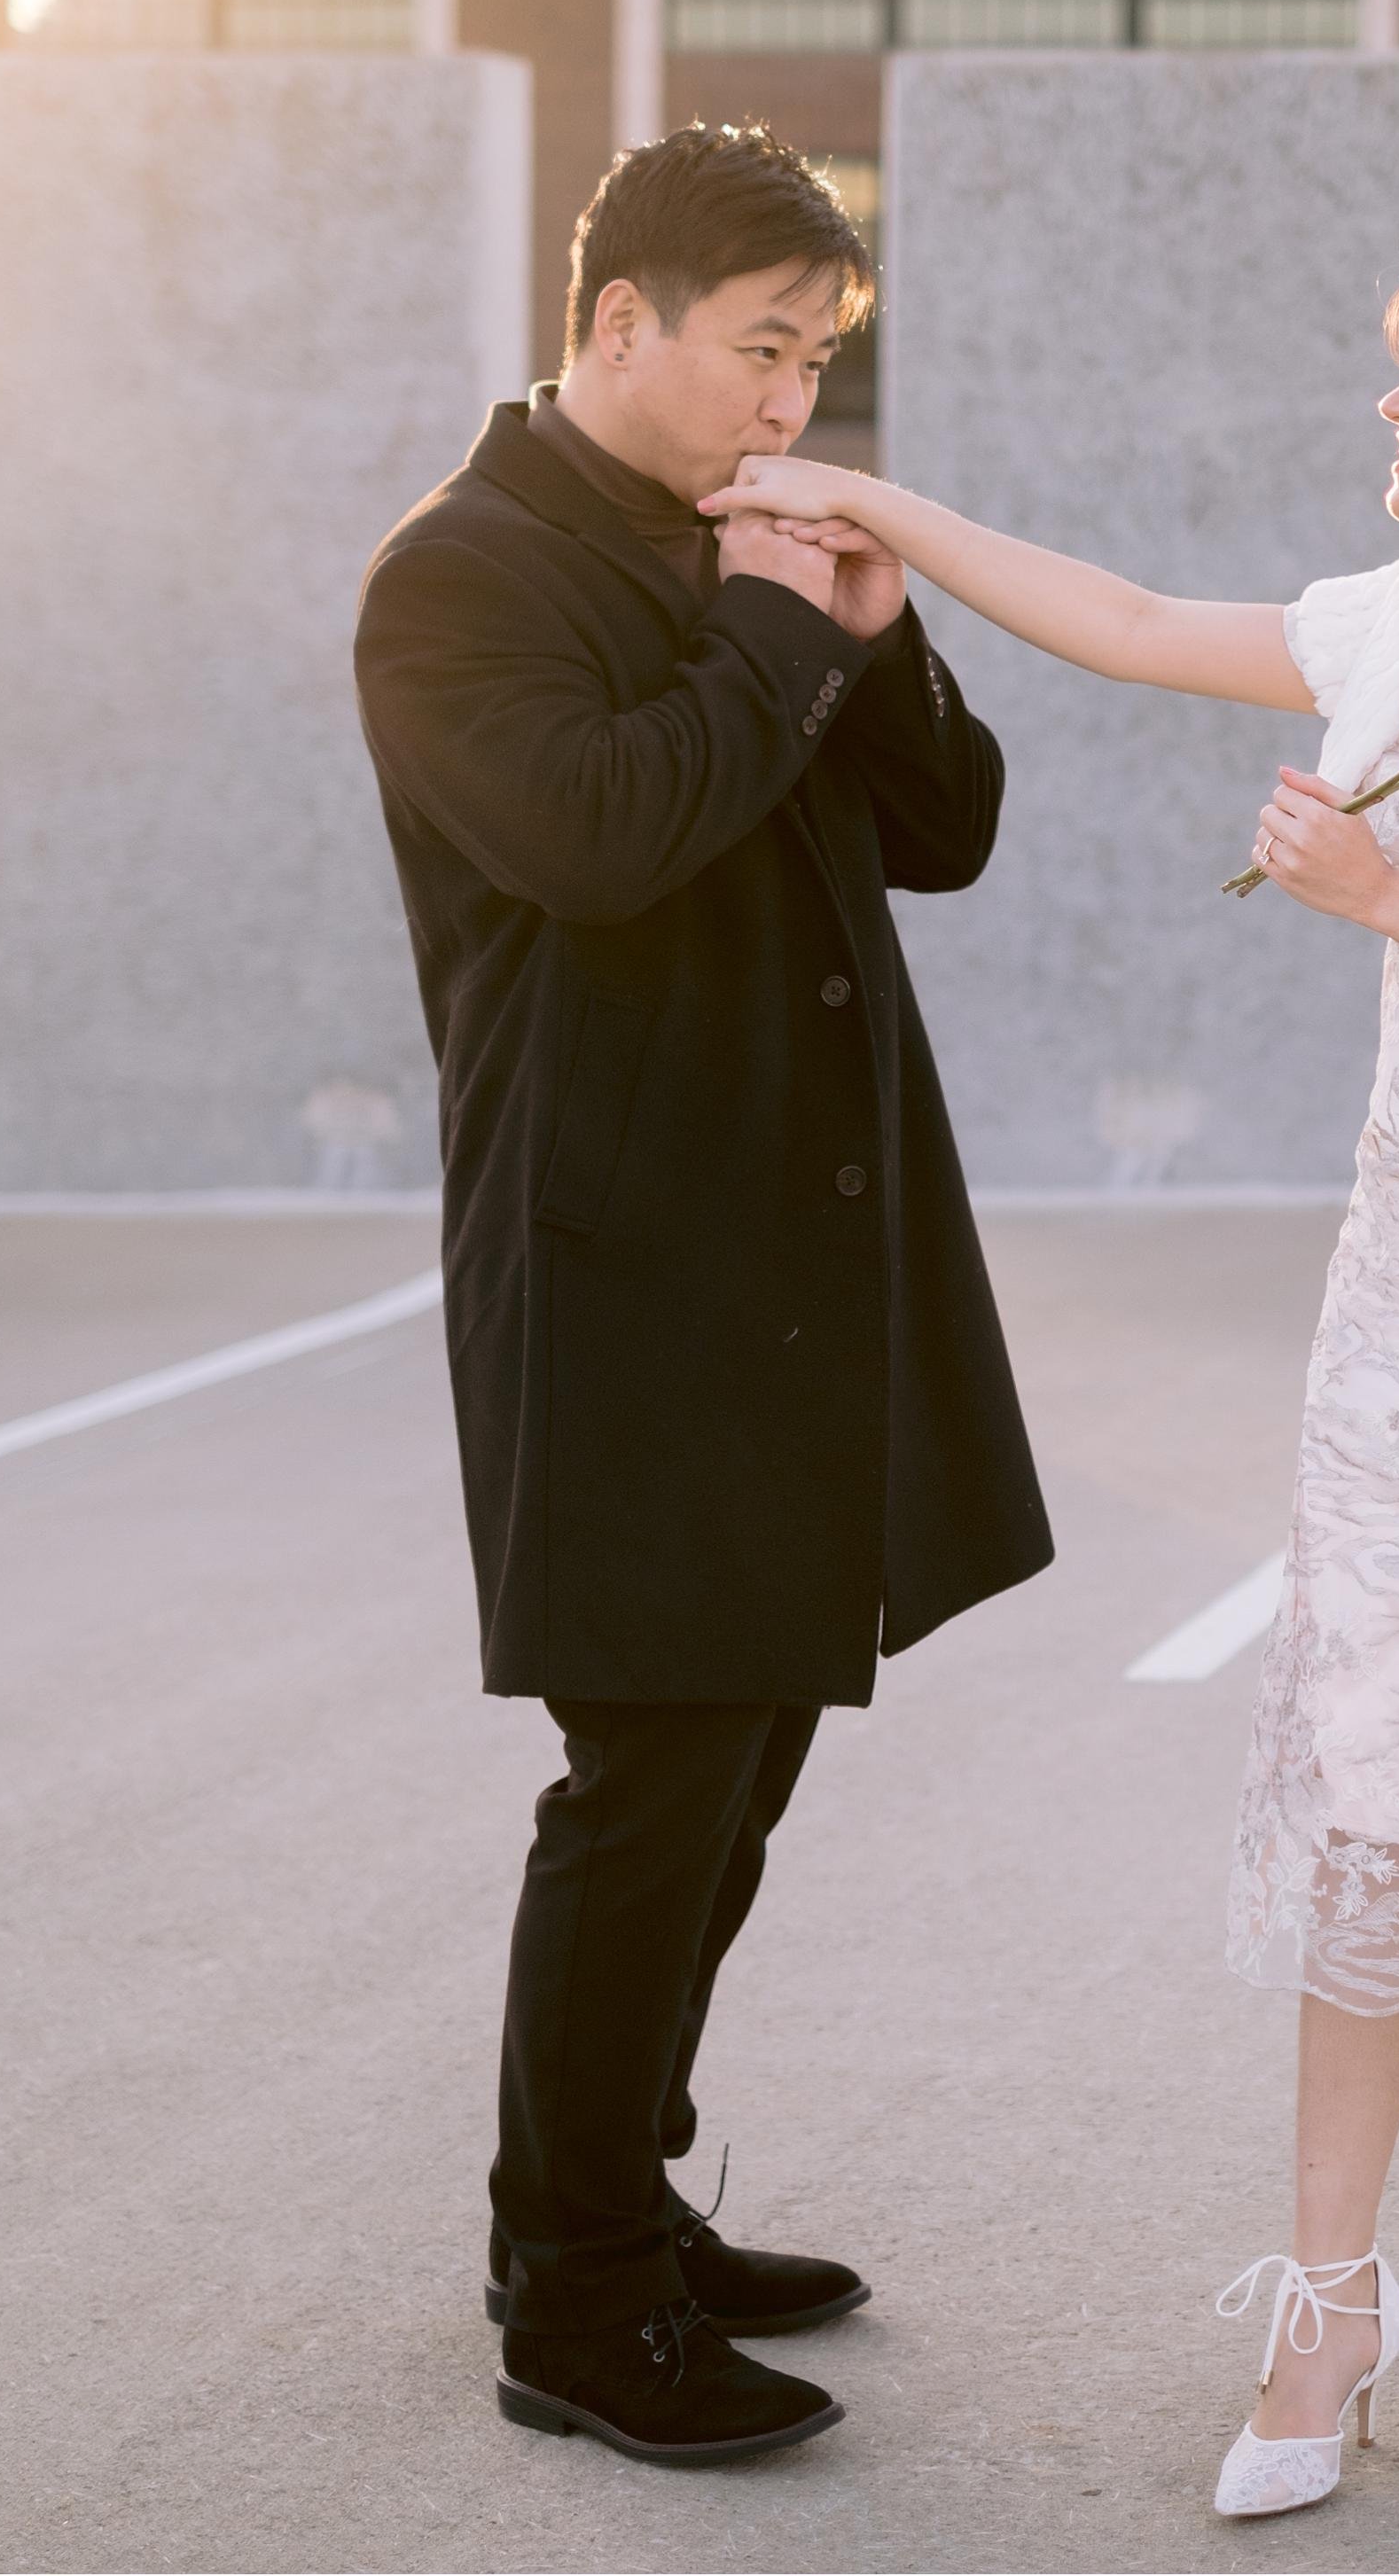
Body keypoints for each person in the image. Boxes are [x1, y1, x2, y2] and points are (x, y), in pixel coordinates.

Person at [701, 201, 1399, 2513]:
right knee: (1382, 1769)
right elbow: (1115, 619)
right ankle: (1328, 2300)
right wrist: (865, 502)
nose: (1388, 408)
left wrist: (1388, 902)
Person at [353, 124, 1052, 2471]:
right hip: (622, 1254)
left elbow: (941, 828)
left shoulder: (754, 552)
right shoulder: (458, 576)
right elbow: (601, 833)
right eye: (763, 348)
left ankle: (614, 2191)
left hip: (793, 1243)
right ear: (615, 318)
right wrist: (773, 622)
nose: (790, 401)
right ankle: (573, 2291)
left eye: (819, 357)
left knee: (740, 1738)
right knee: (647, 1768)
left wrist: (861, 635)